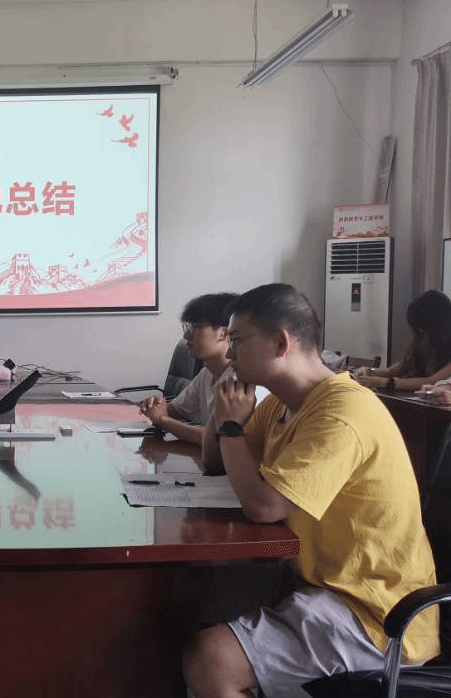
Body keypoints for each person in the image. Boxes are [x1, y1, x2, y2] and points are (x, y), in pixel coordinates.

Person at [184, 283, 438, 697]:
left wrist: (230, 426)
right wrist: (223, 409)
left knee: (210, 659)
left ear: (280, 343)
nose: (229, 355)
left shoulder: (341, 411)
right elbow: (216, 462)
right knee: (185, 604)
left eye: (238, 341)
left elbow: (264, 507)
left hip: (374, 611)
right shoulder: (281, 403)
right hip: (317, 585)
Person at [139, 292, 239, 445]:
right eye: (187, 327)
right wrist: (156, 406)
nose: (186, 335)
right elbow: (174, 410)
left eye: (194, 328)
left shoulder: (239, 379)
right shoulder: (207, 373)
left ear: (223, 334)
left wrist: (163, 420)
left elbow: (218, 439)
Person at [353, 289, 451, 392]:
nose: (420, 332)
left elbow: (432, 381)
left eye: (423, 328)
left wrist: (385, 382)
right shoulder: (421, 344)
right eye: (417, 328)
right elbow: (391, 371)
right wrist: (369, 371)